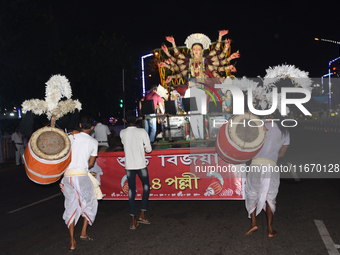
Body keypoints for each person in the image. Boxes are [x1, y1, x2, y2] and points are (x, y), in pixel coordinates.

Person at [245, 110, 290, 238]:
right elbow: (281, 154)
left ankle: (253, 223)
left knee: (251, 193)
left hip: (255, 165)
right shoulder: (285, 131)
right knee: (270, 197)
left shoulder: (259, 125)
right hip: (271, 166)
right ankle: (270, 229)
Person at [60, 116, 98, 251]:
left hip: (66, 176)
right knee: (90, 202)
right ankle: (83, 232)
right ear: (93, 127)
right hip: (81, 176)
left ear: (80, 124)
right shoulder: (93, 142)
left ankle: (72, 241)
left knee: (70, 206)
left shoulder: (71, 137)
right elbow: (91, 163)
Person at [120, 110, 152, 229]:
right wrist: (142, 147)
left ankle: (133, 220)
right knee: (146, 187)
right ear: (137, 120)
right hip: (141, 164)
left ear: (126, 121)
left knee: (131, 191)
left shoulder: (122, 133)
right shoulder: (142, 131)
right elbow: (149, 150)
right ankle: (142, 214)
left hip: (129, 166)